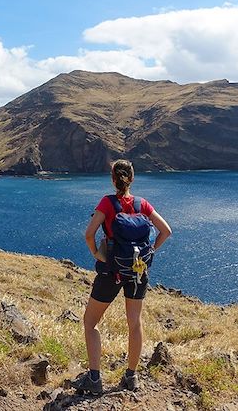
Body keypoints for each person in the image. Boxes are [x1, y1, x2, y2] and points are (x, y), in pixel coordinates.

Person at [72, 159, 173, 395]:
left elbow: (89, 234)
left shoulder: (107, 203)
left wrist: (99, 254)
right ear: (132, 179)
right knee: (134, 323)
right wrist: (148, 253)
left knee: (90, 323)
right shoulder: (142, 204)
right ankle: (131, 377)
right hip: (138, 272)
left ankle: (95, 379)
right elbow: (166, 231)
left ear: (113, 179)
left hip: (111, 271)